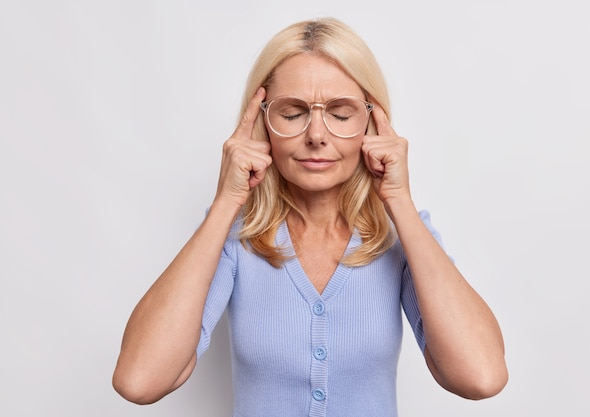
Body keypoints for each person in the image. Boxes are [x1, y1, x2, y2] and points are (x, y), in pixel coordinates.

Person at [112, 17, 508, 416]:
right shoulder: (235, 239)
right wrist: (226, 203)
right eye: (292, 113)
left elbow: (481, 377)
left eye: (339, 113)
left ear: (371, 123)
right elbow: (139, 380)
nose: (317, 135)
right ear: (262, 123)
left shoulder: (401, 237)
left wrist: (399, 202)